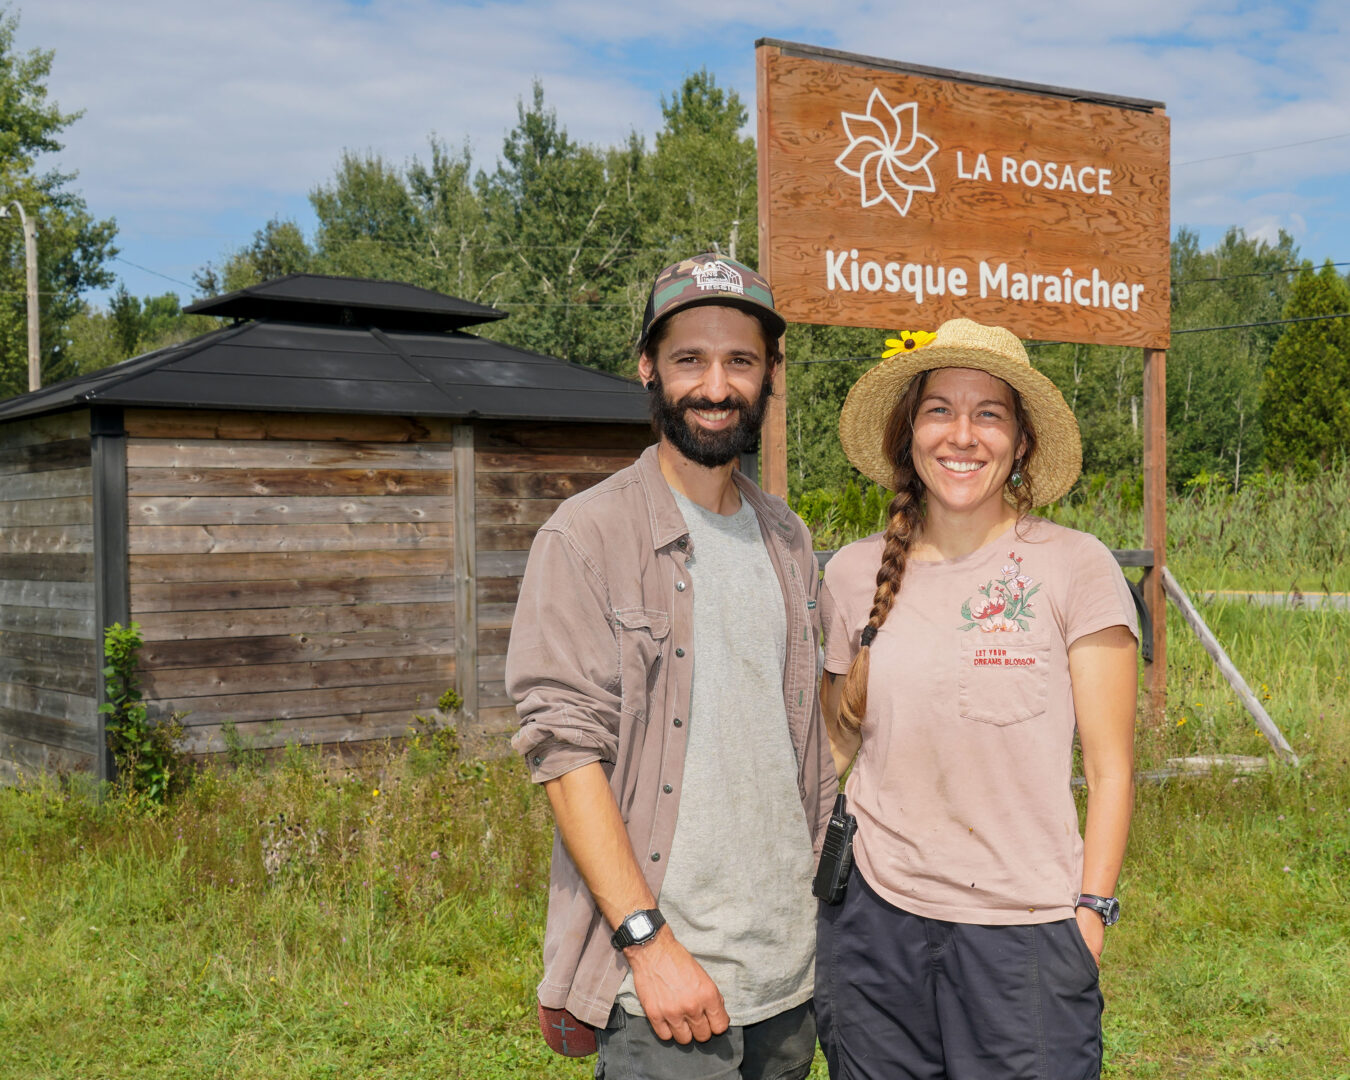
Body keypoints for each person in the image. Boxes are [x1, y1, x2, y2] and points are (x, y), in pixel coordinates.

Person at [506, 253, 836, 1080]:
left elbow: (814, 743)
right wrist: (648, 946)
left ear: (769, 375)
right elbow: (564, 750)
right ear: (649, 367)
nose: (716, 386)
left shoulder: (789, 539)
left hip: (790, 979)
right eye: (690, 359)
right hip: (661, 992)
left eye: (741, 361)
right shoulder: (587, 537)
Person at [814, 318, 1138, 1080]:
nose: (963, 435)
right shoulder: (851, 576)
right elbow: (832, 748)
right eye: (940, 411)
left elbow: (1114, 768)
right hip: (872, 929)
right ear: (909, 433)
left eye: (989, 413)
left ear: (1021, 441)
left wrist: (1090, 912)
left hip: (1022, 935)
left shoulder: (1076, 568)